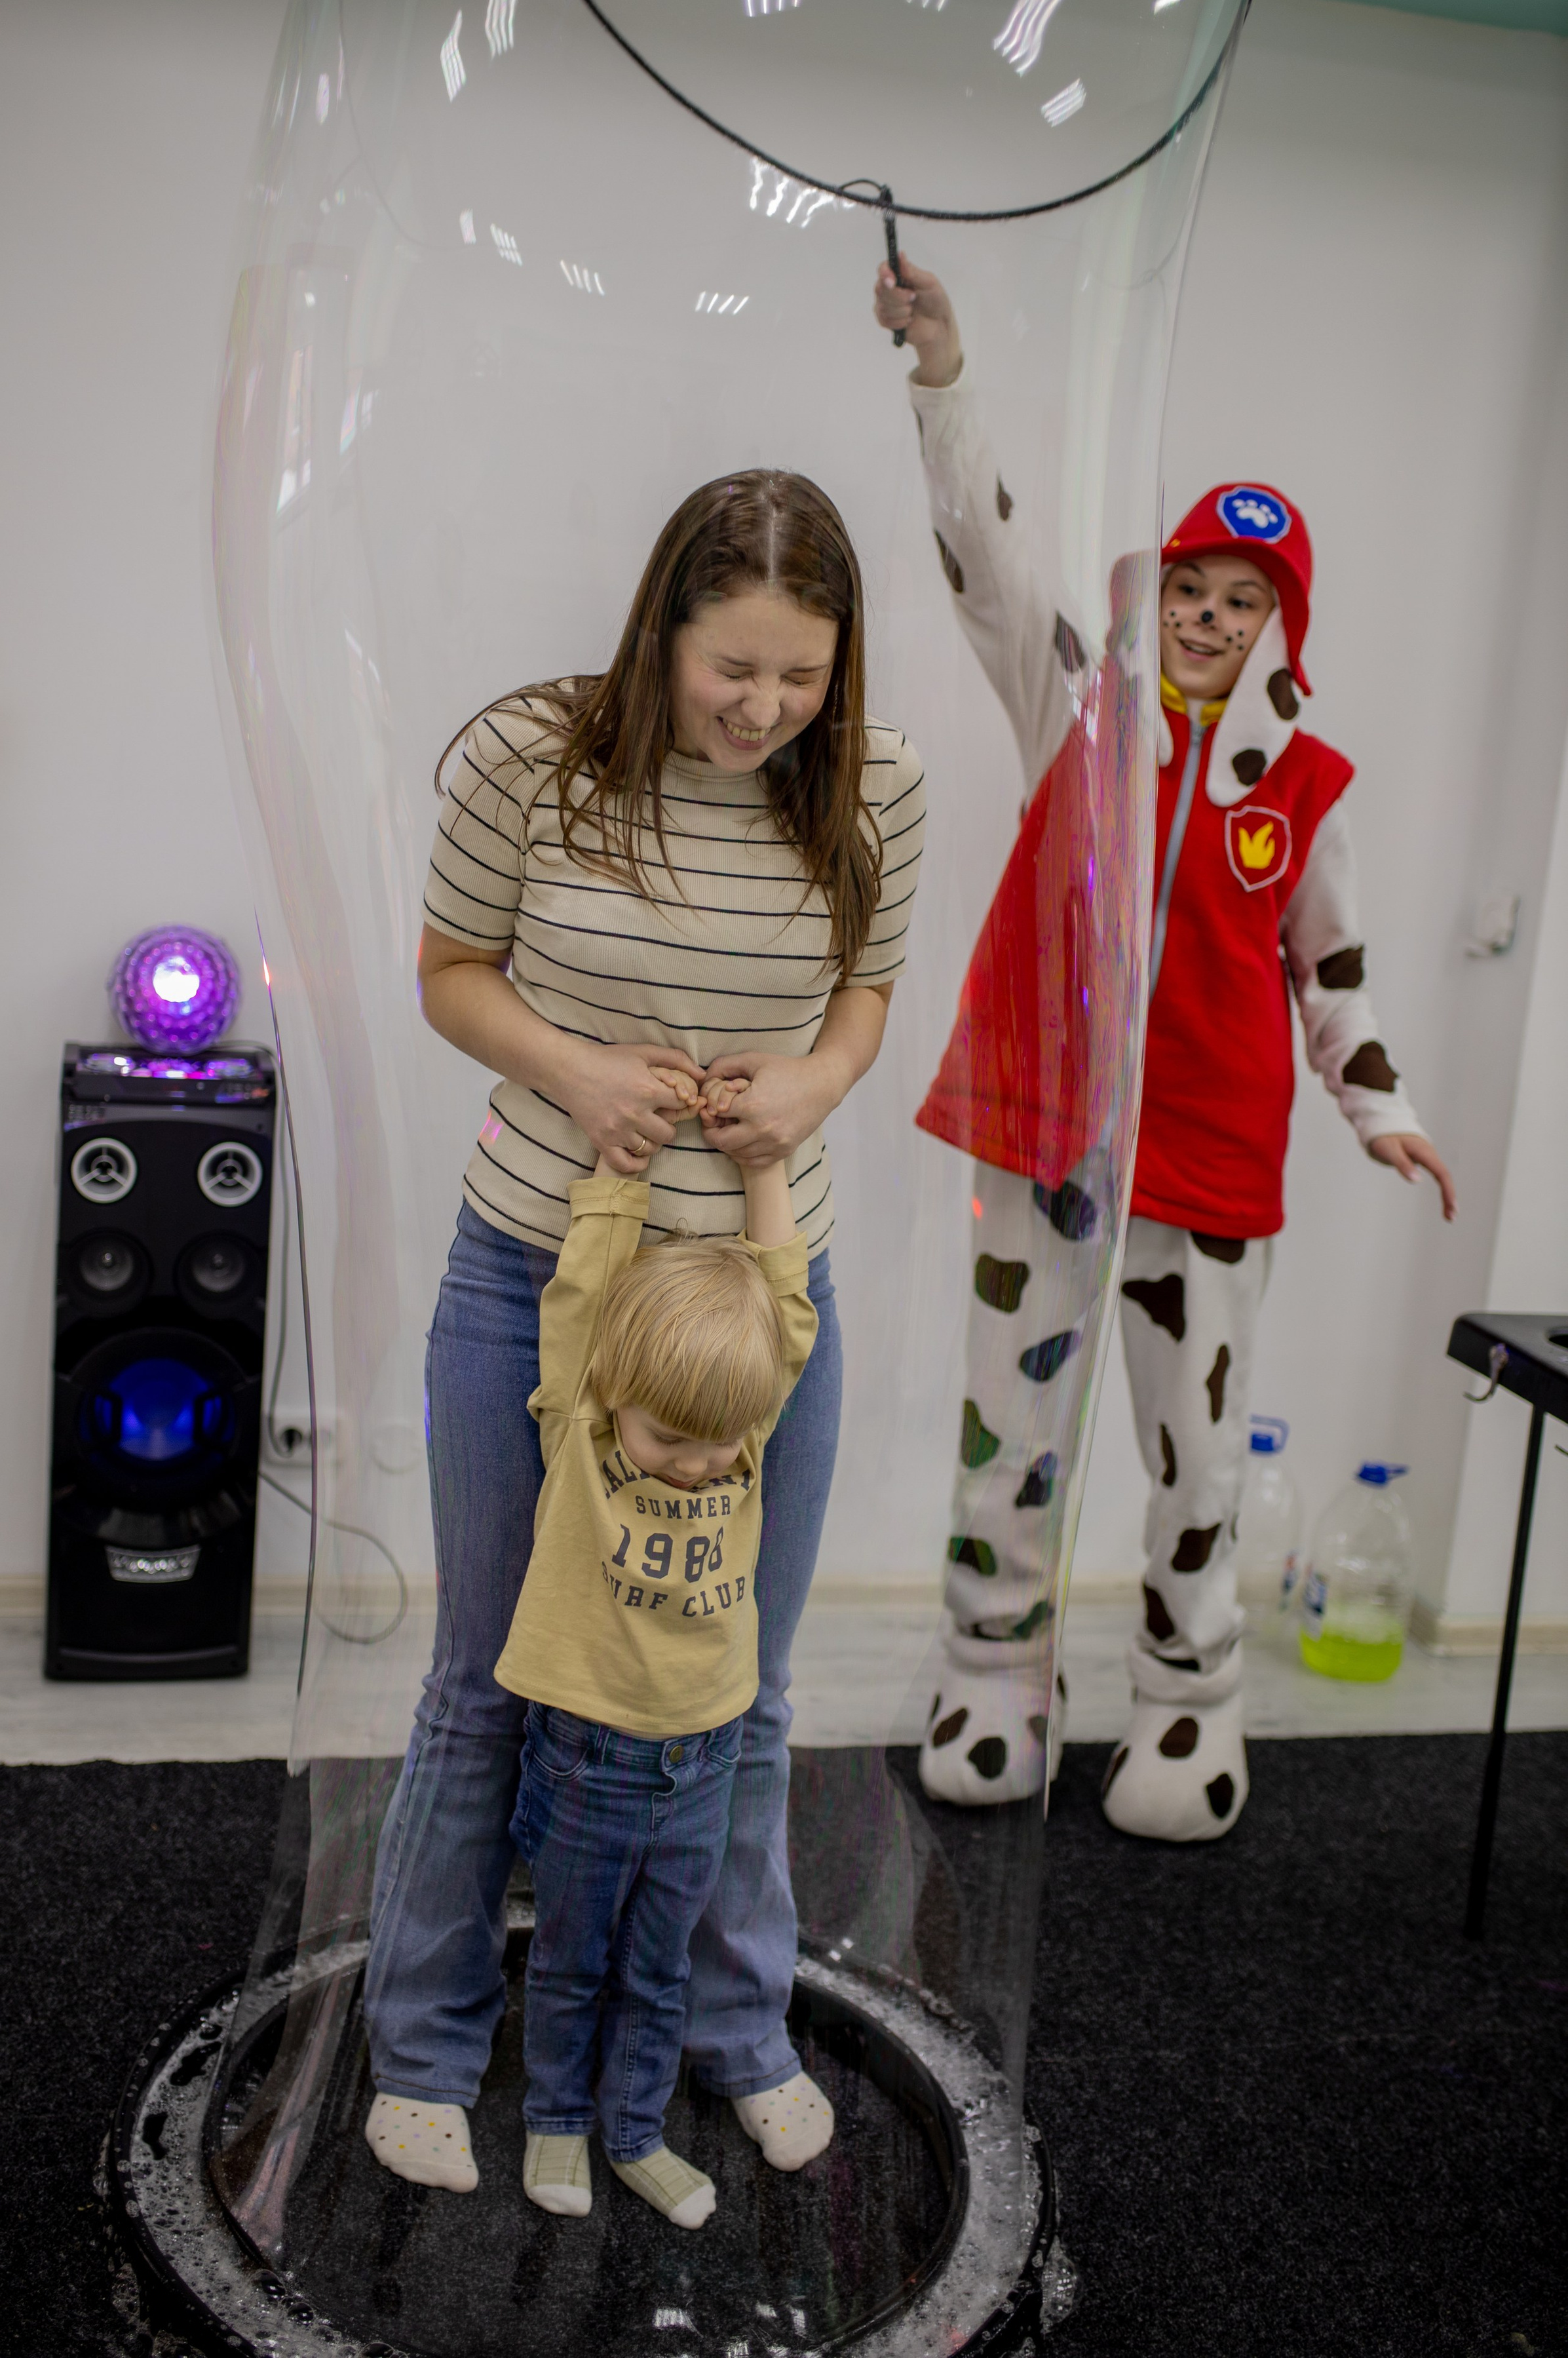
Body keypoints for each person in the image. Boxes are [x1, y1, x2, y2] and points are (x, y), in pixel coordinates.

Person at [362, 467, 926, 2183]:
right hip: (536, 1278)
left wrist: (810, 1095)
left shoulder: (876, 787)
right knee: (487, 1680)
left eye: (802, 677)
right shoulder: (527, 759)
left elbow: (866, 1001)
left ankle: (732, 2027)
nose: (765, 710)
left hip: (761, 1306)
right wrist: (579, 1070)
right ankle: (426, 2051)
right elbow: (453, 969)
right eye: (730, 669)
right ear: (661, 630)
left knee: (739, 1685)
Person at [872, 256, 1454, 1842]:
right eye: (1187, 589)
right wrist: (944, 376)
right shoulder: (1075, 705)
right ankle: (990, 1678)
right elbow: (983, 554)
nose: (1205, 617)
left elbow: (1326, 966)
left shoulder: (1303, 783)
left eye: (1239, 599)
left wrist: (1377, 1106)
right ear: (1153, 597)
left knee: (1192, 1455)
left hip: (1205, 1154)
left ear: (1279, 623)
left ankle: (1190, 1714)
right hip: (1048, 1134)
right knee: (1013, 1422)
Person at [464, 1085, 818, 2228]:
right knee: (570, 1966)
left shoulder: (737, 1426)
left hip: (703, 1761)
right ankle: (557, 2127)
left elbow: (785, 1307)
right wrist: (622, 1170)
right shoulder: (583, 1416)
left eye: (721, 1446)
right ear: (616, 1398)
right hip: (585, 1758)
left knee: (659, 1972)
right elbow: (582, 1305)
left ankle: (634, 2136)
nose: (698, 1468)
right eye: (670, 1439)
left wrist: (771, 1168)